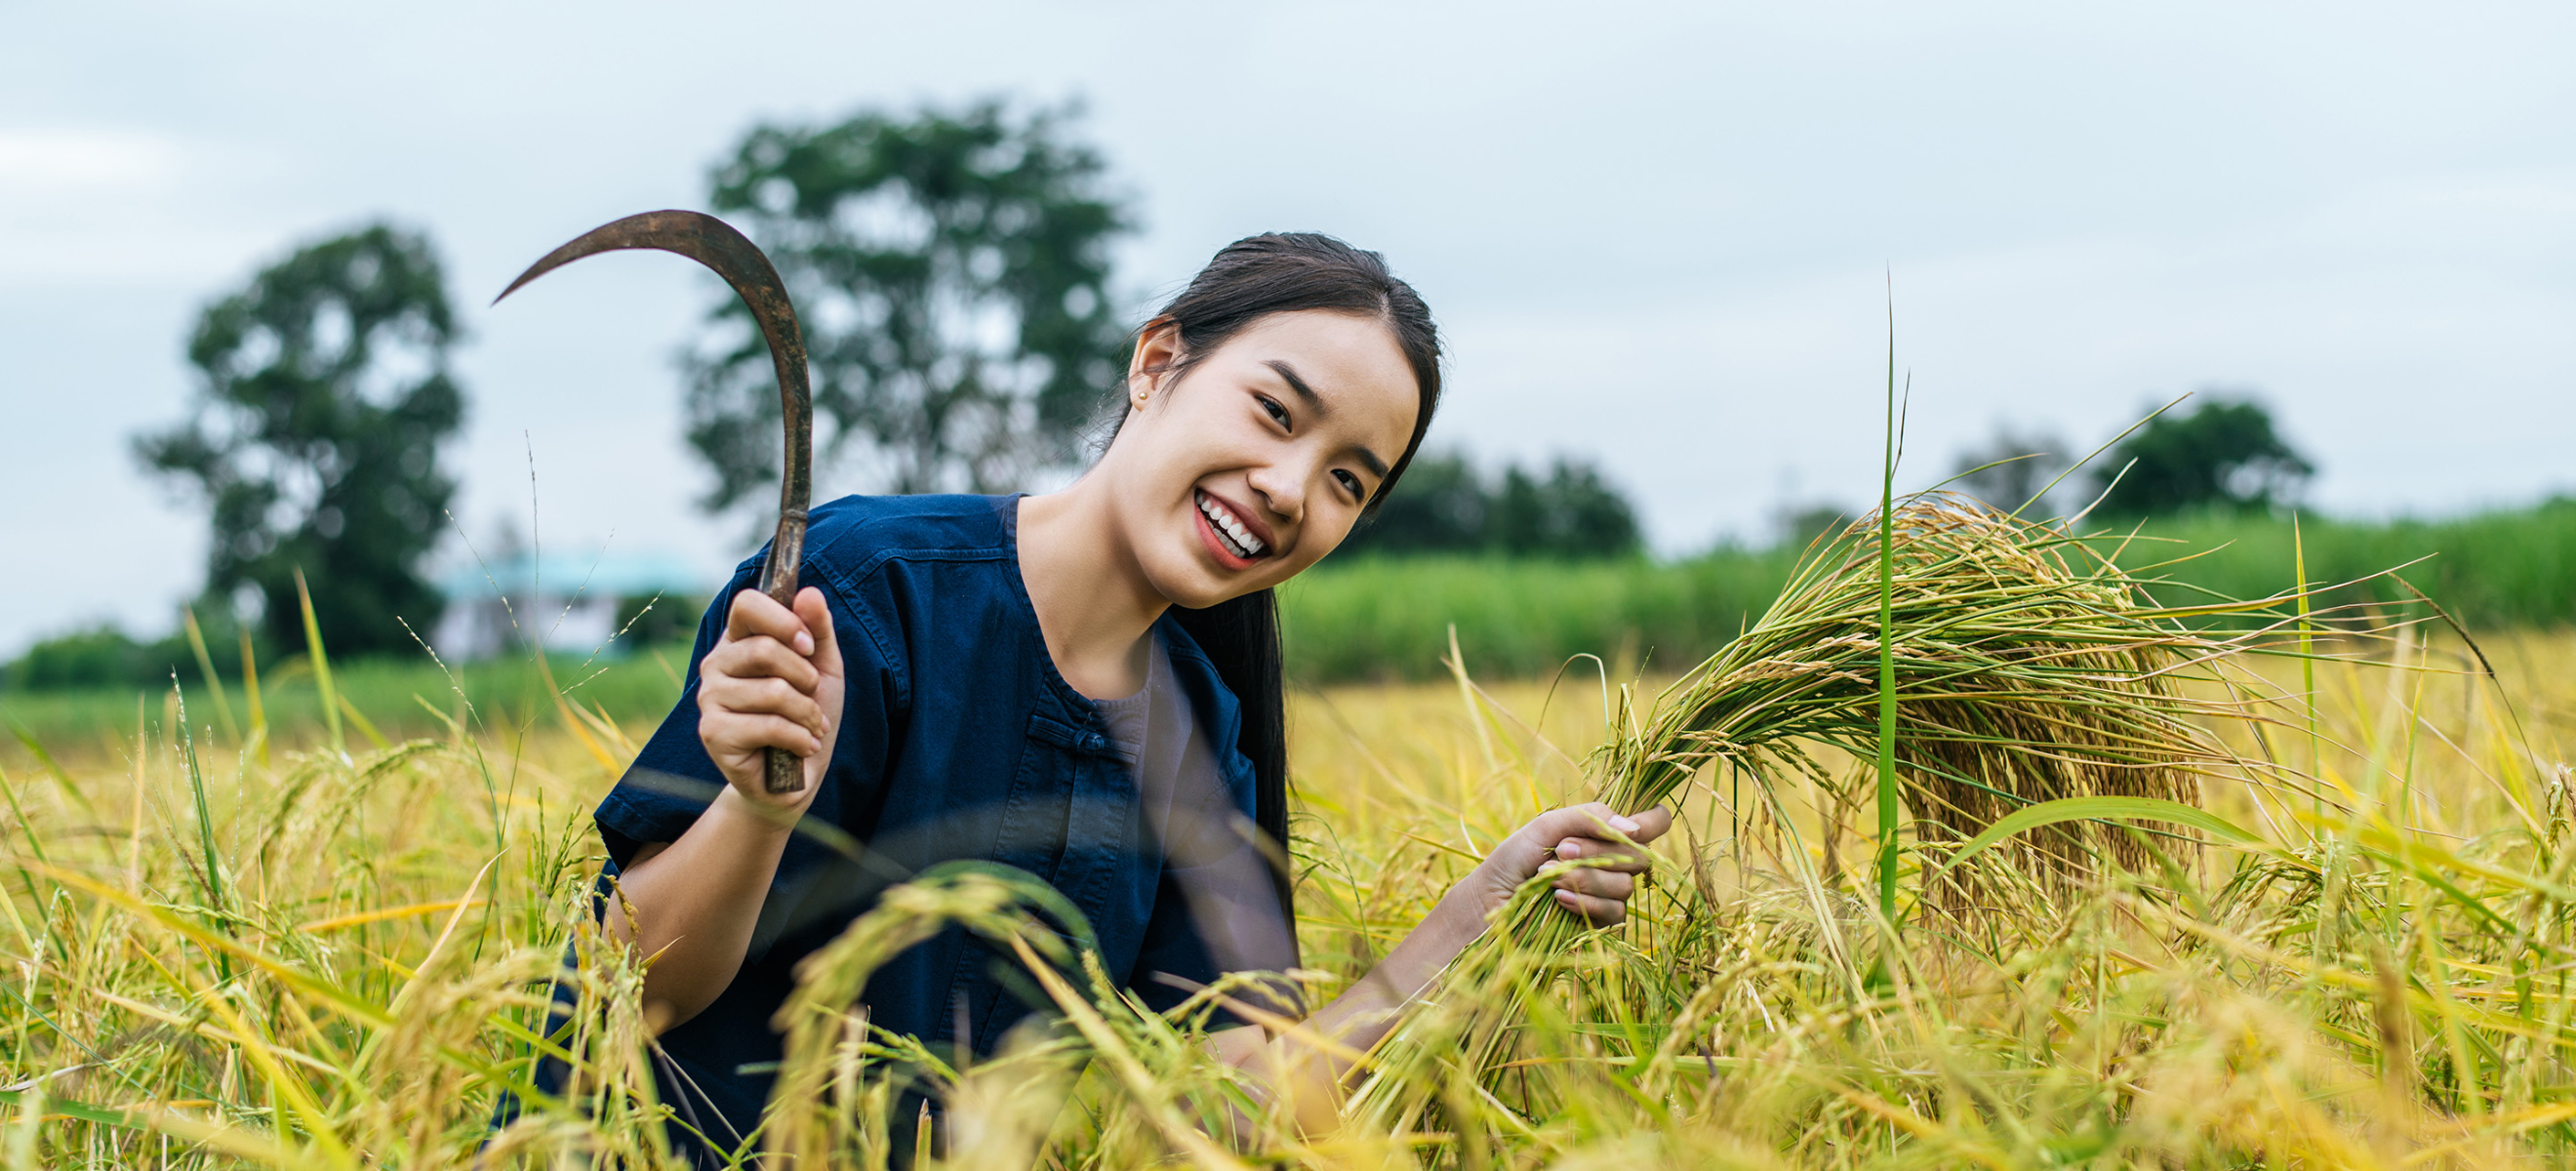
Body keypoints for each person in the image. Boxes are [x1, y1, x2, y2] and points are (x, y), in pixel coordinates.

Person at [587, 232, 1673, 1159]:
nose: (1290, 490)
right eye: (1275, 412)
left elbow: (1232, 1099)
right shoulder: (870, 589)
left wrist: (1475, 911)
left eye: (1348, 479)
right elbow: (626, 992)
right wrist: (758, 810)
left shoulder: (1201, 738)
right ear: (1158, 361)